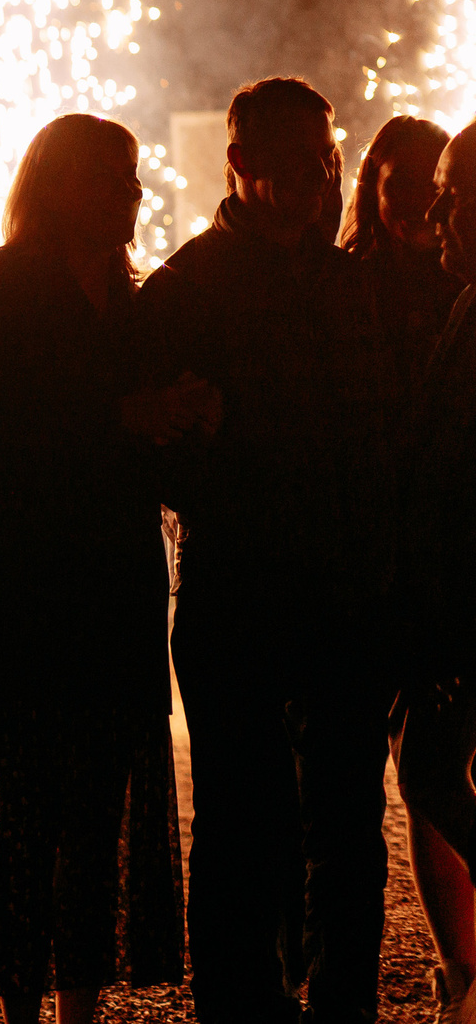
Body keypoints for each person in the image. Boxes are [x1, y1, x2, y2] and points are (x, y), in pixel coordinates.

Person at [139, 77, 397, 1024]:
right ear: (239, 166)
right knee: (255, 824)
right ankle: (257, 1003)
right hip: (248, 589)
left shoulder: (325, 283)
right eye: (290, 165)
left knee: (334, 829)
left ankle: (328, 1002)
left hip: (312, 592)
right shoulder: (190, 288)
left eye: (322, 163)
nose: (311, 183)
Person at [0, 115, 206, 1022]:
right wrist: (128, 415)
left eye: (132, 176)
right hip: (28, 590)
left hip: (110, 592)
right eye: (109, 176)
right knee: (31, 821)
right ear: (57, 186)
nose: (132, 192)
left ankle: (81, 1008)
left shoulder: (139, 299)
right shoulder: (1, 285)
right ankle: (26, 1010)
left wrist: (186, 419)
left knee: (93, 820)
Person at [394, 121, 476, 1024]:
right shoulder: (463, 304)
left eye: (456, 192)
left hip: (463, 610)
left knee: (430, 776)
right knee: (430, 775)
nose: (438, 209)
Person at [342, 115, 458, 380]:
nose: (423, 202)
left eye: (435, 185)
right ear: (373, 186)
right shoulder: (345, 288)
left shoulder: (467, 286)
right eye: (403, 183)